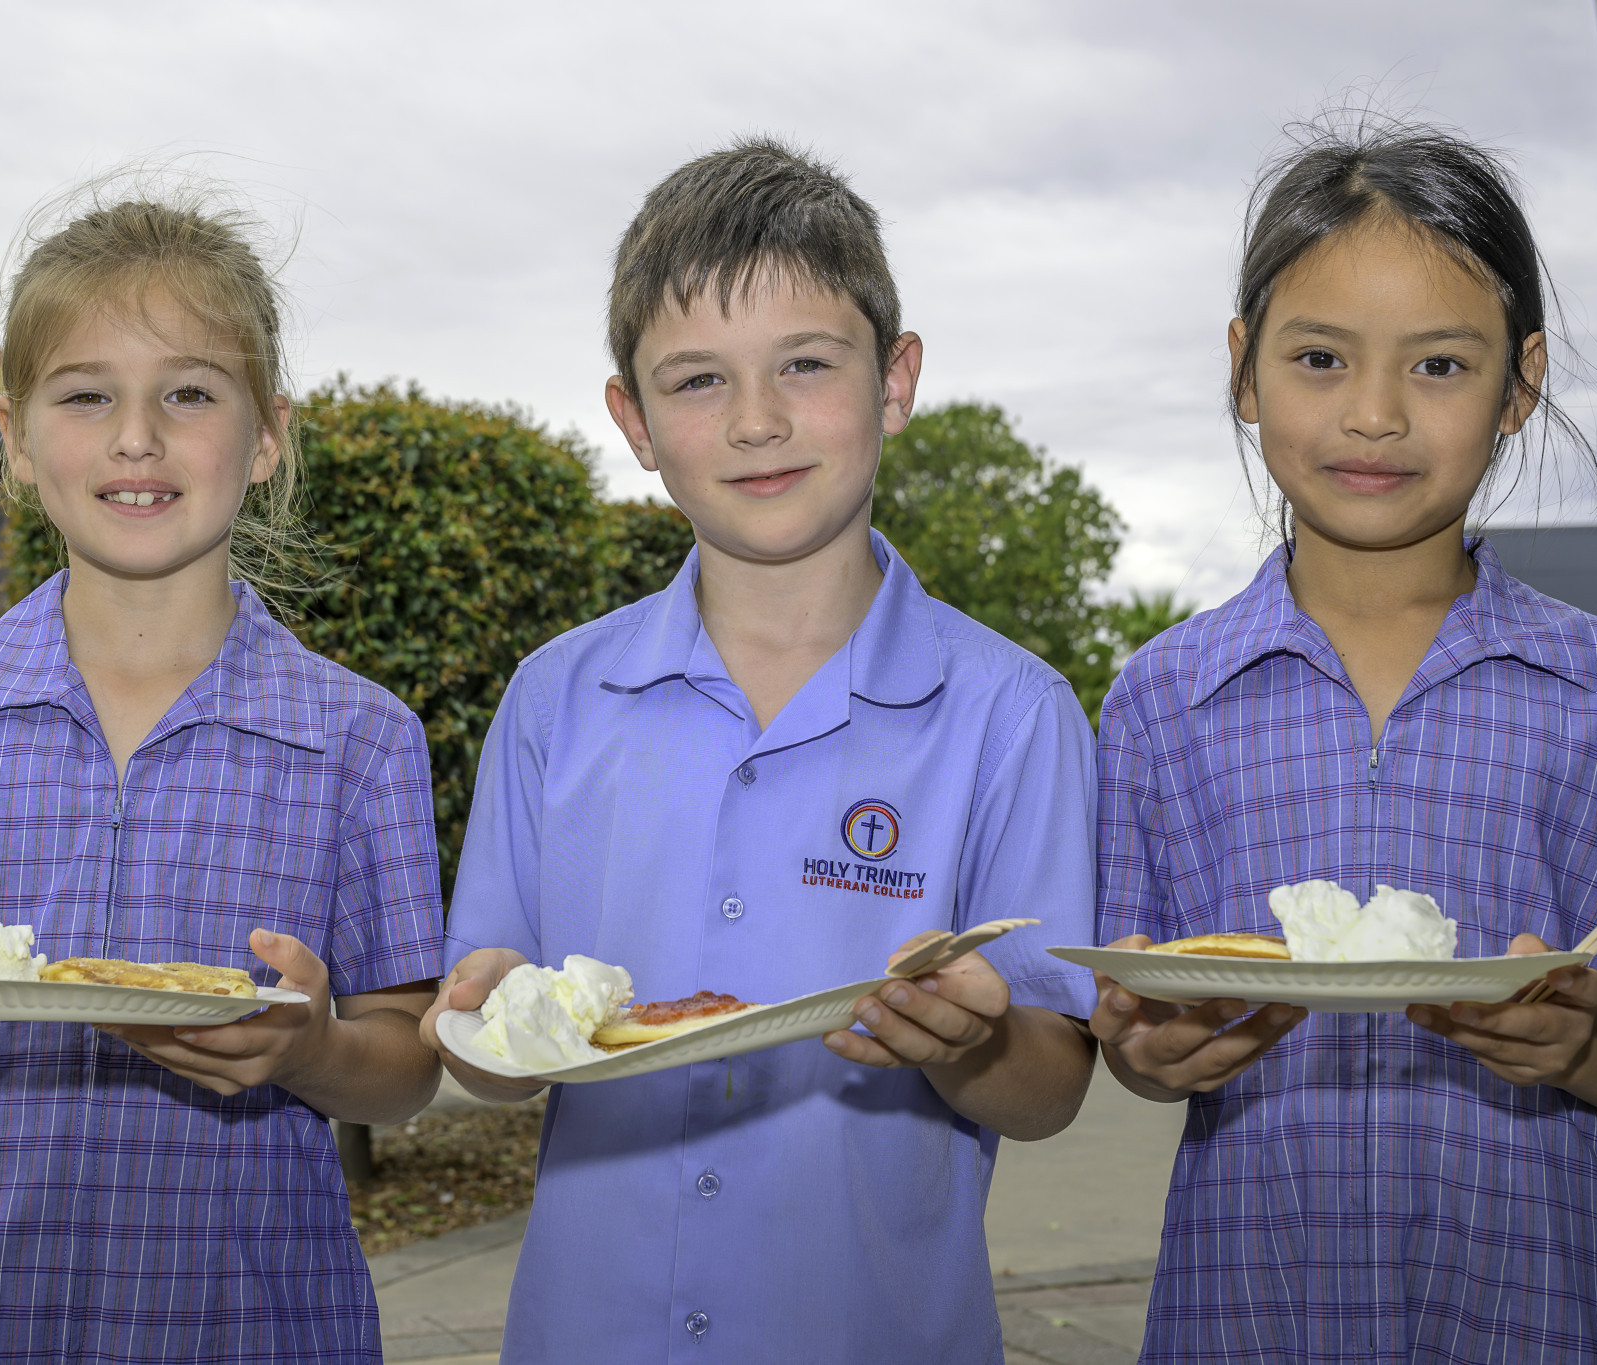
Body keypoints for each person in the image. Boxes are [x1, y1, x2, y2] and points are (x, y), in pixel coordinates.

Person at [419, 137, 1100, 1362]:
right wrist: (483, 1027)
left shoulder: (1012, 713)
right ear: (630, 419)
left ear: (893, 382)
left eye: (805, 363)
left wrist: (977, 1040)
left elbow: (1048, 1087)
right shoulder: (554, 700)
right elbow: (497, 1060)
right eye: (694, 381)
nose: (756, 421)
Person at [0, 186, 445, 1363]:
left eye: (187, 392)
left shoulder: (359, 736)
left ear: (266, 435)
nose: (137, 437)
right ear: (15, 441)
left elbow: (406, 1065)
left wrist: (313, 1050)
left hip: (252, 1326)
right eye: (85, 395)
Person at [1093, 119, 1597, 1364]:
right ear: (1242, 371)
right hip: (1247, 1320)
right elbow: (1138, 1038)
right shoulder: (1156, 699)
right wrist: (1150, 1052)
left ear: (1520, 384)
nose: (1374, 414)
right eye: (1319, 357)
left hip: (1545, 1320)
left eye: (1439, 365)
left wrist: (1588, 1039)